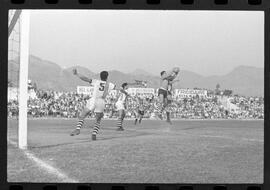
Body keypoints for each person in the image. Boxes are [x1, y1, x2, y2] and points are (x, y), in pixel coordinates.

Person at [70, 68, 115, 140]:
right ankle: (94, 134)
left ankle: (78, 129)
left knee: (83, 115)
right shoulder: (110, 84)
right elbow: (118, 88)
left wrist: (77, 74)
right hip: (101, 101)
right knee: (98, 120)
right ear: (107, 77)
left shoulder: (96, 82)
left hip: (93, 99)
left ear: (100, 76)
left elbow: (85, 78)